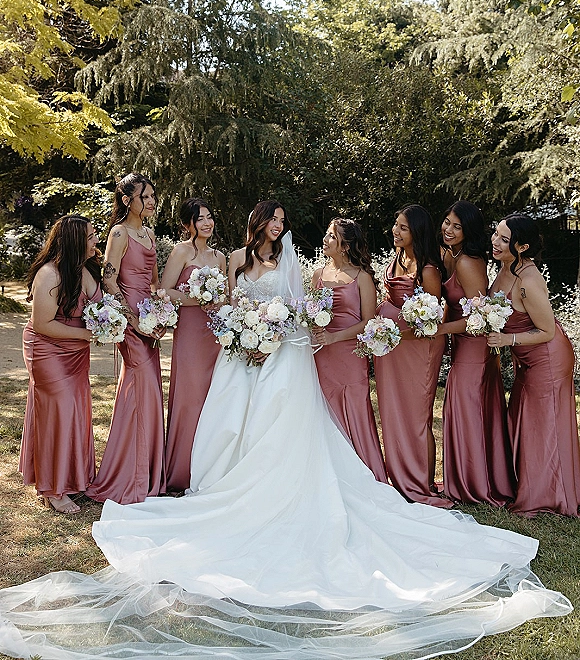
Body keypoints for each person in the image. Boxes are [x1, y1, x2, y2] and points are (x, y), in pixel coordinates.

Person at [0, 202, 572, 660]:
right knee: (233, 424)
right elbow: (230, 302)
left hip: (285, 356)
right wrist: (243, 326)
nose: (282, 229)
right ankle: (218, 479)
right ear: (259, 226)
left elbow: (304, 309)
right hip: (244, 354)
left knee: (289, 423)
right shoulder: (238, 262)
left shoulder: (304, 267)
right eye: (273, 221)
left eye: (284, 223)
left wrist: (280, 327)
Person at [488, 214, 580, 517]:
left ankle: (548, 495)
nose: (495, 241)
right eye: (496, 234)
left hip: (548, 359)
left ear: (522, 246)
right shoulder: (504, 267)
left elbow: (547, 331)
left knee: (543, 426)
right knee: (524, 419)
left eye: (504, 239)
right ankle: (528, 482)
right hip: (528, 359)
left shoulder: (527, 281)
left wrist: (507, 340)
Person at [86, 173, 166, 504]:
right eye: (144, 196)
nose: (150, 201)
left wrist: (161, 317)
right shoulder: (119, 233)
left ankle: (147, 475)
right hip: (130, 324)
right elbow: (109, 281)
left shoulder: (149, 233)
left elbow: (154, 281)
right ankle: (129, 478)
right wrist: (133, 321)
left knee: (151, 389)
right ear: (127, 200)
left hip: (148, 320)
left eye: (152, 196)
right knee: (140, 385)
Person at [19, 215, 100, 514]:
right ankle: (52, 489)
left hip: (76, 351)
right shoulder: (49, 274)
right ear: (75, 240)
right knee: (58, 411)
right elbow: (42, 323)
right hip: (47, 349)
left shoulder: (87, 269)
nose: (95, 241)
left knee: (77, 411)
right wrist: (88, 333)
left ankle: (75, 477)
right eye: (91, 236)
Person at [438, 201, 515, 505]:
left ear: (468, 231)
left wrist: (439, 330)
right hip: (461, 344)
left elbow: (480, 319)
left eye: (457, 226)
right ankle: (467, 477)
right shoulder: (449, 254)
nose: (449, 229)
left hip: (474, 347)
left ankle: (475, 485)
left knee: (468, 411)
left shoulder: (468, 263)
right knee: (462, 409)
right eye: (447, 222)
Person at [374, 204, 450, 506]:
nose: (395, 230)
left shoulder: (429, 270)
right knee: (393, 411)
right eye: (396, 224)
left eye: (403, 227)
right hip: (389, 346)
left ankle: (422, 482)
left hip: (418, 347)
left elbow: (431, 322)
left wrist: (394, 333)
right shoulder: (396, 257)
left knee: (418, 414)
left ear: (416, 232)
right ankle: (399, 476)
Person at [311, 218, 387, 481]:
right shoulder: (318, 276)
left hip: (350, 355)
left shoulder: (362, 277)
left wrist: (334, 338)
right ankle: (328, 476)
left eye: (331, 236)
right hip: (322, 355)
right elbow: (310, 313)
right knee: (324, 408)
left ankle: (364, 475)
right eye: (327, 234)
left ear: (345, 246)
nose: (325, 239)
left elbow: (368, 322)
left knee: (354, 409)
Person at [161, 198, 226, 492]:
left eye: (209, 217)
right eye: (200, 219)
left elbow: (225, 295)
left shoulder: (220, 256)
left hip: (213, 332)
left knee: (214, 396)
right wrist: (197, 298)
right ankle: (180, 471)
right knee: (190, 395)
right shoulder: (181, 251)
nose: (207, 223)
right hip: (189, 331)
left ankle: (209, 470)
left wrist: (216, 301)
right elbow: (165, 291)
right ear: (188, 224)